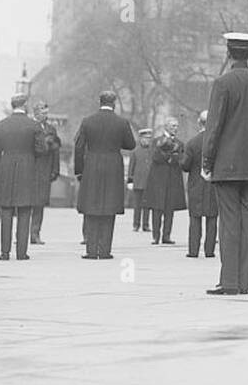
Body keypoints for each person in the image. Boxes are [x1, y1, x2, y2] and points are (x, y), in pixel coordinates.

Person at [201, 32, 248, 295]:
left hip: (227, 165)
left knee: (229, 223)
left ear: (229, 54)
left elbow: (214, 127)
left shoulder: (222, 83)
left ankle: (229, 281)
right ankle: (245, 282)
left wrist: (207, 161)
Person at [74, 91, 136, 260]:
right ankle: (105, 250)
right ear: (114, 103)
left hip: (92, 165)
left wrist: (79, 171)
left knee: (91, 207)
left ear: (99, 102)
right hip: (113, 167)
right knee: (109, 208)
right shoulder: (122, 122)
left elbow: (79, 148)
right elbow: (130, 145)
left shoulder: (87, 121)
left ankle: (91, 250)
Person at [0, 93, 39, 260]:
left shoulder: (0, 126)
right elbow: (41, 150)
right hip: (27, 169)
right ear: (24, 105)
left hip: (6, 169)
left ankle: (4, 252)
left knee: (6, 211)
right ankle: (22, 252)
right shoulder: (34, 126)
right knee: (25, 211)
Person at [180, 111, 217, 258]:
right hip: (213, 184)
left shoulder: (192, 143)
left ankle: (193, 250)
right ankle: (210, 251)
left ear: (199, 123)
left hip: (196, 183)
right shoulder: (218, 142)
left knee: (195, 219)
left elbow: (185, 166)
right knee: (212, 218)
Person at [146, 117, 186, 245]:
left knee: (170, 209)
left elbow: (181, 159)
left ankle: (166, 236)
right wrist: (170, 157)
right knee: (157, 208)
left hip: (172, 179)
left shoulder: (180, 143)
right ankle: (155, 236)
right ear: (166, 127)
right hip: (158, 179)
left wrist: (171, 158)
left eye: (177, 126)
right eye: (173, 126)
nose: (176, 128)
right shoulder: (156, 141)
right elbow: (155, 156)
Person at [29, 100, 60, 245]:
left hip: (44, 170)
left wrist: (55, 170)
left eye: (47, 113)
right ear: (36, 113)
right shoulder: (29, 127)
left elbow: (56, 152)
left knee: (39, 203)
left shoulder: (51, 129)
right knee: (25, 203)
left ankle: (35, 233)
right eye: (43, 113)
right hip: (30, 169)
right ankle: (23, 233)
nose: (45, 116)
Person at [127, 128, 155, 235]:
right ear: (141, 139)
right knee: (137, 205)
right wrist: (130, 180)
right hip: (138, 182)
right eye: (145, 138)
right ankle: (136, 224)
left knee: (147, 205)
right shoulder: (135, 152)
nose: (147, 141)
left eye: (148, 139)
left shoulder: (152, 151)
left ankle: (146, 224)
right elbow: (131, 167)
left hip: (149, 182)